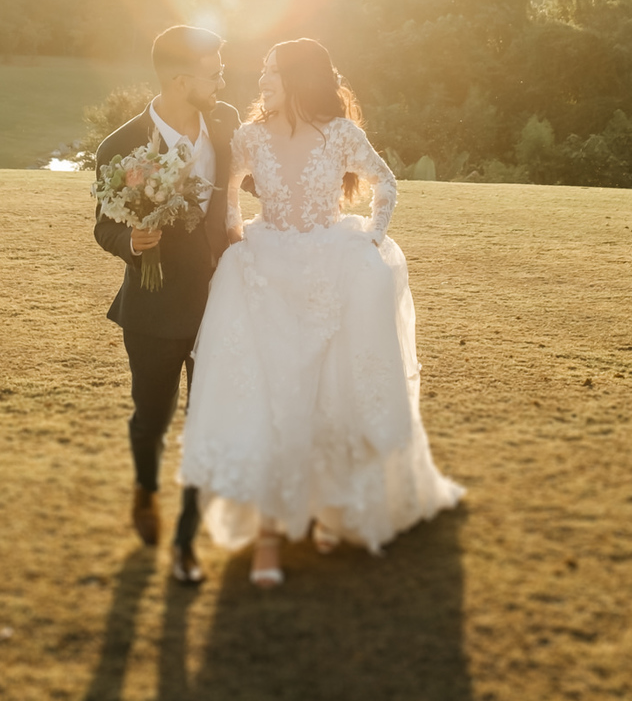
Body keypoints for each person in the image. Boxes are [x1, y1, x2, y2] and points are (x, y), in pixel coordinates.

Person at [180, 37, 464, 587]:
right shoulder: (250, 136)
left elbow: (386, 183)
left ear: (297, 77)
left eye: (271, 70)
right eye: (263, 69)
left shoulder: (340, 134)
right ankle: (268, 537)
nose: (262, 78)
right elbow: (229, 189)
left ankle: (332, 509)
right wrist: (236, 235)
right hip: (265, 272)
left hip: (331, 269)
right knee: (271, 398)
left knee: (332, 395)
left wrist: (371, 240)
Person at [94, 24, 242, 584]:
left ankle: (185, 541)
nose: (222, 81)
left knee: (207, 424)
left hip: (221, 303)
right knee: (152, 417)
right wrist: (132, 242)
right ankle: (145, 488)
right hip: (153, 308)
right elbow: (104, 225)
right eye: (214, 73)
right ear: (182, 80)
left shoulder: (227, 123)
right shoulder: (120, 145)